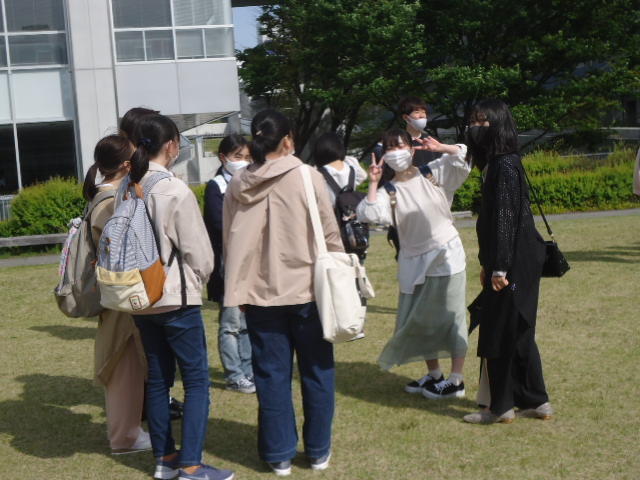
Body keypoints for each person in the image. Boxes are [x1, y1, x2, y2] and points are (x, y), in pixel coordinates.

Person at [223, 109, 343, 476]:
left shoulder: (238, 183)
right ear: (288, 139)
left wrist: (238, 287)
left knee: (271, 375)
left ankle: (279, 454)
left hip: (259, 293)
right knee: (318, 372)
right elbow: (330, 231)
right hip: (309, 291)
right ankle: (318, 450)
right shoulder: (307, 176)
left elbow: (229, 241)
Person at [127, 113, 233, 480]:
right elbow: (199, 252)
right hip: (176, 297)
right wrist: (201, 277)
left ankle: (165, 458)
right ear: (171, 145)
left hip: (139, 296)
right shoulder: (173, 190)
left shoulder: (129, 186)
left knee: (158, 379)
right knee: (196, 380)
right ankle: (191, 464)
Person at [356, 128, 471, 399]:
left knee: (452, 316)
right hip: (413, 261)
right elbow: (369, 214)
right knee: (420, 320)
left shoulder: (433, 172)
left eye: (400, 146)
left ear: (411, 148)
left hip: (447, 254)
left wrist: (442, 148)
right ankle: (435, 374)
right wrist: (373, 182)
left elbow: (463, 157)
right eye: (390, 148)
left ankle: (456, 380)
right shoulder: (388, 190)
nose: (395, 152)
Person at [462, 99, 552, 424]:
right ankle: (536, 401)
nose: (475, 128)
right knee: (520, 331)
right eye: (474, 121)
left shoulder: (503, 165)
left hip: (512, 262)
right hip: (522, 258)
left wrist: (498, 267)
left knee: (497, 332)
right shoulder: (505, 162)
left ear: (498, 124)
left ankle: (500, 407)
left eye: (482, 121)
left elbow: (504, 219)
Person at [82, 135, 150, 454]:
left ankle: (127, 432)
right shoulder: (112, 201)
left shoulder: (101, 195)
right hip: (120, 291)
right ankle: (125, 437)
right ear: (125, 164)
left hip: (111, 291)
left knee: (123, 361)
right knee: (123, 364)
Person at [119, 106, 184, 421]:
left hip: (134, 282)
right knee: (168, 365)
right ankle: (152, 407)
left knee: (153, 361)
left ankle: (157, 414)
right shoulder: (155, 182)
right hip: (158, 284)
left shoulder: (128, 180)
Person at [203, 134, 255, 394]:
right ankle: (235, 374)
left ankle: (248, 370)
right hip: (228, 265)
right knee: (231, 323)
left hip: (251, 263)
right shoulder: (216, 186)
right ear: (223, 158)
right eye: (237, 156)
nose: (242, 161)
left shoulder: (251, 182)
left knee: (247, 323)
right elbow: (217, 224)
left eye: (247, 157)